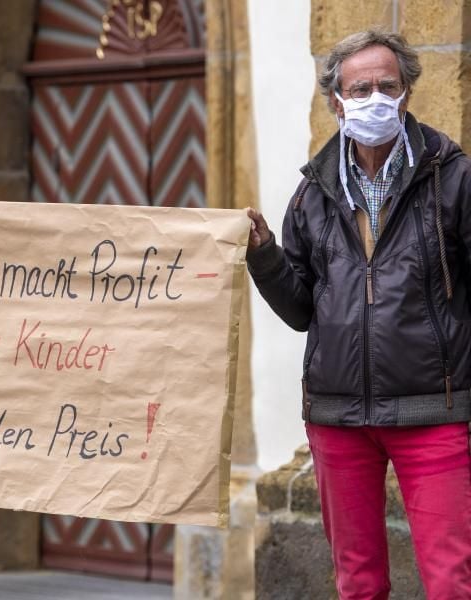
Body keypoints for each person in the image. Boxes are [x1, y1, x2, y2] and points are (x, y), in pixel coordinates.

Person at [247, 29, 471, 598]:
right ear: (335, 101)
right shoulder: (312, 194)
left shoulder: (452, 177)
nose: (376, 98)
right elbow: (301, 311)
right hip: (337, 416)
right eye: (361, 87)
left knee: (452, 581)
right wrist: (264, 253)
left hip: (433, 412)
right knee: (358, 583)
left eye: (387, 86)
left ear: (407, 94)